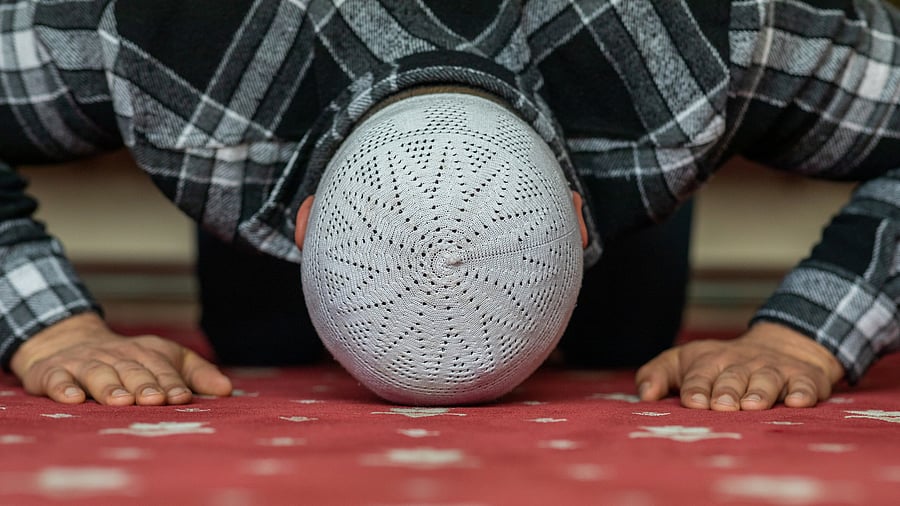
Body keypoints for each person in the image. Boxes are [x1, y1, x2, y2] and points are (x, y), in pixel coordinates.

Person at [0, 0, 897, 409]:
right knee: (265, 353)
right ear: (304, 228)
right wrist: (53, 329)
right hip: (256, 207)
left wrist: (802, 335)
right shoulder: (142, 28)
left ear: (581, 222)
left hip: (624, 231)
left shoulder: (723, 28)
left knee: (622, 350)